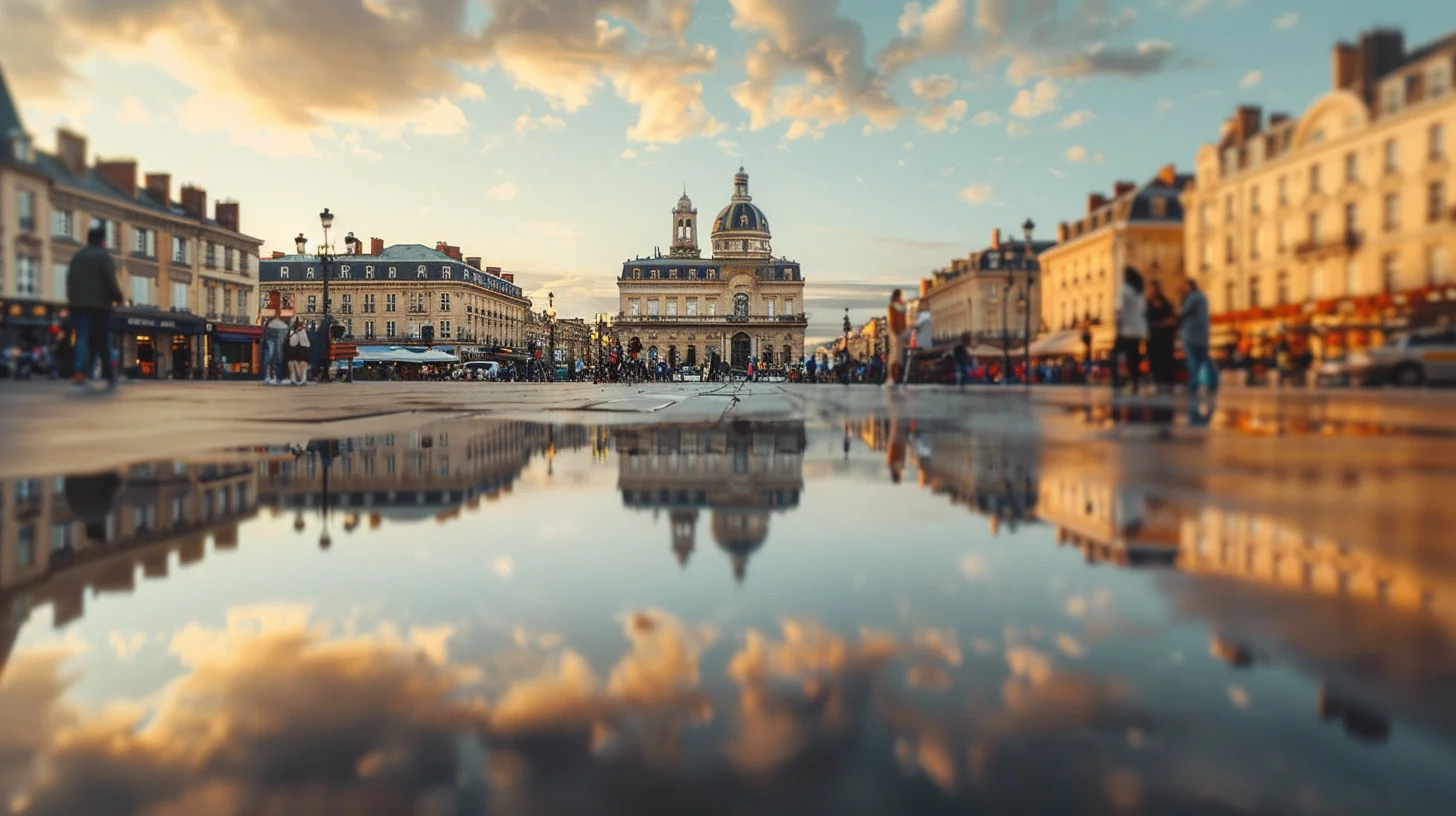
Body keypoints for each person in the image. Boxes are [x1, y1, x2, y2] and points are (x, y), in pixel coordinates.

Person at [66, 225, 125, 390]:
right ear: (103, 241)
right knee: (103, 340)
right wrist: (118, 297)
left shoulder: (78, 256)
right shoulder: (103, 256)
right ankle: (109, 375)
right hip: (99, 306)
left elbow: (69, 280)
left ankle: (80, 373)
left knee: (81, 337)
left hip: (78, 305)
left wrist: (72, 300)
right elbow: (110, 279)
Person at [1179, 278, 1217, 395]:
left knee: (1192, 361)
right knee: (1204, 360)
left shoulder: (1192, 298)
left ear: (1189, 286)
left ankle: (1193, 384)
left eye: (1185, 286)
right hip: (1203, 335)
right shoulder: (1203, 297)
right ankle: (1213, 383)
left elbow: (1182, 313)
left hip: (1191, 334)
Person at [1113, 267, 1148, 393]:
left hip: (1127, 329)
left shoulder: (1124, 290)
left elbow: (1120, 309)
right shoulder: (1139, 292)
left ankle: (1117, 380)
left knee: (1116, 354)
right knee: (1134, 356)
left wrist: (1118, 323)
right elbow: (1143, 310)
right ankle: (1135, 381)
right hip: (1139, 329)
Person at [1145, 280, 1178, 392]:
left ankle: (1167, 381)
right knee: (1155, 360)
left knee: (1166, 360)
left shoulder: (1166, 303)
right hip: (1153, 337)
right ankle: (1157, 380)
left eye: (1152, 288)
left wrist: (1170, 322)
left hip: (1165, 338)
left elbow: (1174, 319)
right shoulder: (1147, 305)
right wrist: (1162, 322)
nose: (1151, 291)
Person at [887, 289, 908, 386]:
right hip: (895, 335)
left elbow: (904, 322)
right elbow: (892, 322)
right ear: (897, 297)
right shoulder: (892, 307)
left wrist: (905, 332)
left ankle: (897, 376)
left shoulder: (902, 308)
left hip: (901, 335)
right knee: (895, 356)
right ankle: (892, 377)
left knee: (899, 357)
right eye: (901, 296)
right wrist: (896, 334)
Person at [285, 317, 312, 384]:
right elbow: (306, 343)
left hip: (294, 350)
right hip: (302, 350)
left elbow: (292, 343)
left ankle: (295, 377)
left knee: (292, 362)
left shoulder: (293, 331)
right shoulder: (303, 330)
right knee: (301, 362)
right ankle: (302, 377)